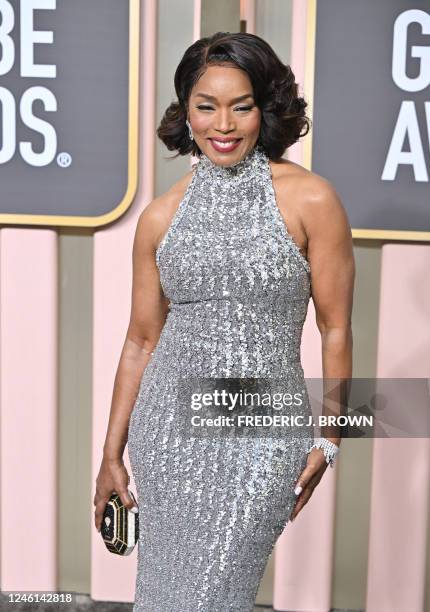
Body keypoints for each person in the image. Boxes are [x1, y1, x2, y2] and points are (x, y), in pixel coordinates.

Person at [93, 32, 354, 612]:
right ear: (185, 111)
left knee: (216, 594)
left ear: (266, 107)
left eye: (242, 105)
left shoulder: (312, 200)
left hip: (262, 435)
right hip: (166, 434)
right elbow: (140, 341)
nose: (224, 124)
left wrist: (331, 434)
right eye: (206, 106)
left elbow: (334, 328)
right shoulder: (160, 216)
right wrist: (111, 454)